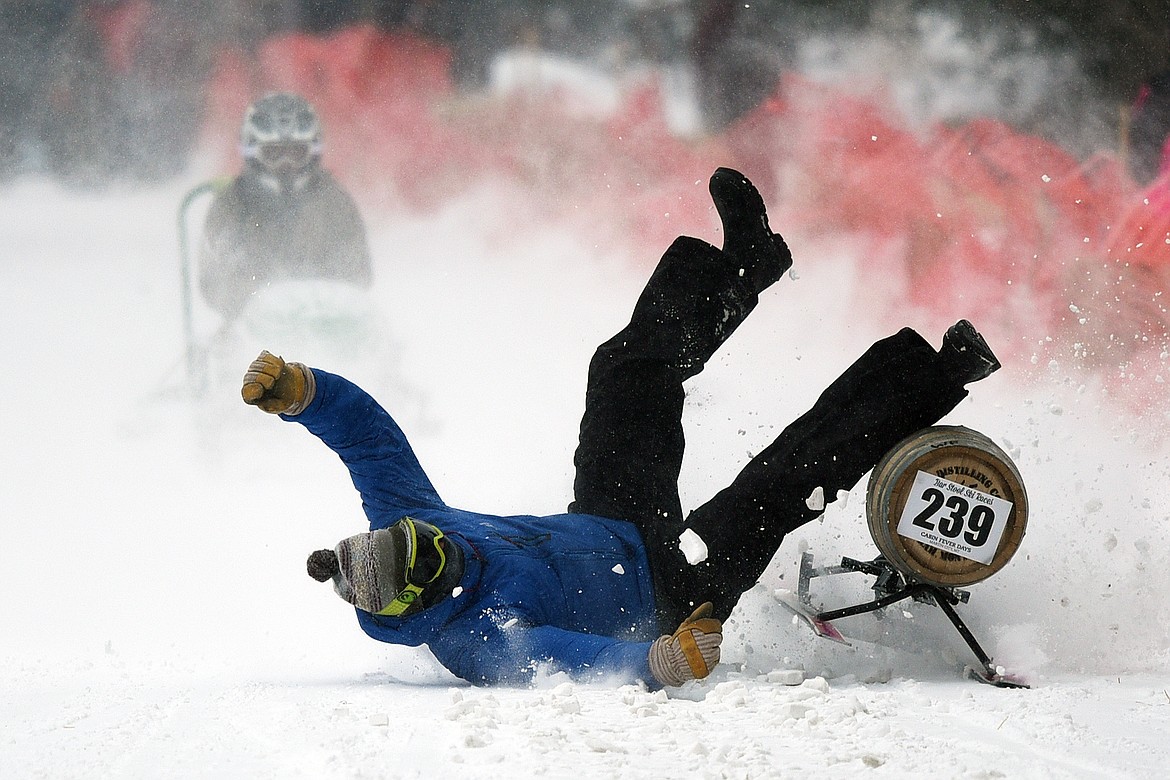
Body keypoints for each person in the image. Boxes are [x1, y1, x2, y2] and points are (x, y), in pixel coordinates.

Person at [240, 167, 1001, 689]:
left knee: (621, 374)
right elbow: (571, 658)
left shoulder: (416, 524)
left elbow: (369, 440)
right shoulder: (477, 641)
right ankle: (937, 374)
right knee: (782, 477)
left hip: (611, 518)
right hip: (674, 587)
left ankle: (743, 267)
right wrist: (662, 661)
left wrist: (303, 393)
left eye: (427, 537)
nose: (446, 546)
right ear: (418, 604)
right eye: (432, 563)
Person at [199, 92, 373, 322]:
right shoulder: (231, 205)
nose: (285, 165)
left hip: (325, 324)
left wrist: (314, 304)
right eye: (274, 153)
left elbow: (357, 275)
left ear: (312, 153)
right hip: (251, 327)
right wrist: (264, 304)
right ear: (253, 153)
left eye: (295, 153)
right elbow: (216, 283)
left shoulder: (333, 202)